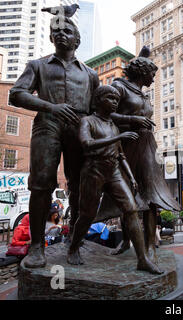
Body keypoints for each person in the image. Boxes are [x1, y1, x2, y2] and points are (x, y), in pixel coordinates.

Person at [9, 15, 100, 268]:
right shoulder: (37, 65)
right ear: (51, 37)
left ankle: (75, 242)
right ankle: (37, 247)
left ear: (77, 39)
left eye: (67, 30)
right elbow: (16, 94)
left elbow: (96, 109)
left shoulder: (91, 74)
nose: (61, 33)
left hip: (80, 128)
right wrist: (51, 107)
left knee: (80, 186)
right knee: (41, 185)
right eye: (56, 30)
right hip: (47, 125)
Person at [67, 85, 161, 274]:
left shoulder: (113, 125)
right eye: (111, 98)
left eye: (117, 100)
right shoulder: (88, 121)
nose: (115, 102)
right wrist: (118, 137)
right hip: (93, 170)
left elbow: (121, 156)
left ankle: (142, 259)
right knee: (87, 215)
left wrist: (132, 177)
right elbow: (86, 144)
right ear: (99, 100)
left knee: (131, 210)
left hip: (114, 172)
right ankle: (73, 248)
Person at [96, 47, 181, 258]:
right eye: (152, 74)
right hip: (126, 145)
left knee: (151, 196)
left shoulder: (142, 94)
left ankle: (151, 246)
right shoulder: (119, 87)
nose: (153, 78)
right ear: (143, 72)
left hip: (146, 146)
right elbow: (103, 114)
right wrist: (132, 120)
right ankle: (127, 241)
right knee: (127, 194)